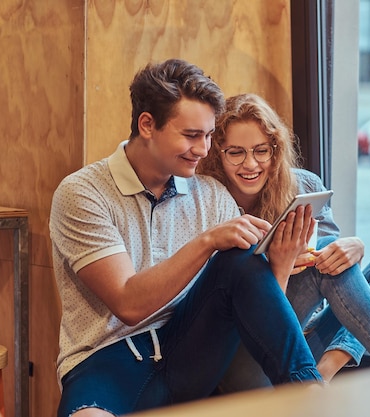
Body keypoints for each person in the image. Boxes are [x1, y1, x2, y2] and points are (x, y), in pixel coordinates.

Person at [49, 60, 325, 417]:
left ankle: (314, 395)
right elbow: (127, 304)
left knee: (239, 259)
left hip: (190, 353)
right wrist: (207, 241)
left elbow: (253, 305)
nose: (204, 149)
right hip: (105, 358)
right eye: (192, 135)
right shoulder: (83, 193)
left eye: (209, 136)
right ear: (147, 125)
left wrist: (282, 262)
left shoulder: (211, 194)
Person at [197, 93, 370, 390]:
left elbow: (340, 281)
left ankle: (324, 373)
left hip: (305, 335)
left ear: (275, 150)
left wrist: (354, 248)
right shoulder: (205, 201)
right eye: (235, 152)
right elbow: (218, 310)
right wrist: (281, 265)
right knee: (325, 251)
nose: (250, 164)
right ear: (218, 153)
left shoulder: (303, 185)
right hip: (244, 352)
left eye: (261, 150)